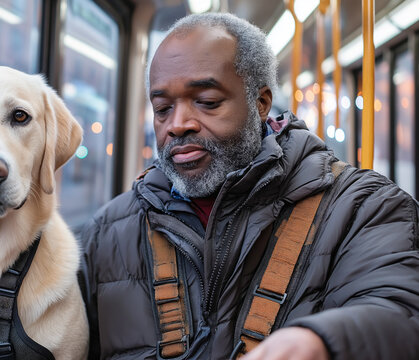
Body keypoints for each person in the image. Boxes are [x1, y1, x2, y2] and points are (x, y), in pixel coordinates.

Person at [80, 12, 419, 360]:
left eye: (207, 102)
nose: (177, 125)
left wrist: (323, 342)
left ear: (261, 103)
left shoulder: (362, 208)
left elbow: (399, 311)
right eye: (162, 108)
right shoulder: (108, 231)